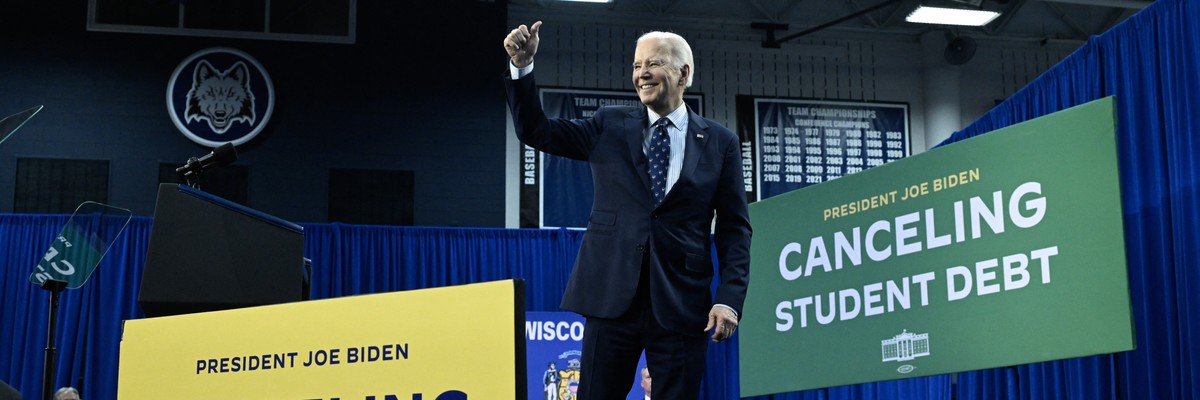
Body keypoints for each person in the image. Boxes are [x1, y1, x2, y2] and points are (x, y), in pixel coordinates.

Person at [503, 21, 752, 400]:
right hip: (611, 296)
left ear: (684, 73)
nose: (642, 74)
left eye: (654, 63)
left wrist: (728, 298)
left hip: (681, 303)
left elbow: (735, 229)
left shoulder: (721, 143)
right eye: (637, 65)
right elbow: (536, 131)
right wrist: (522, 67)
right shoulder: (609, 124)